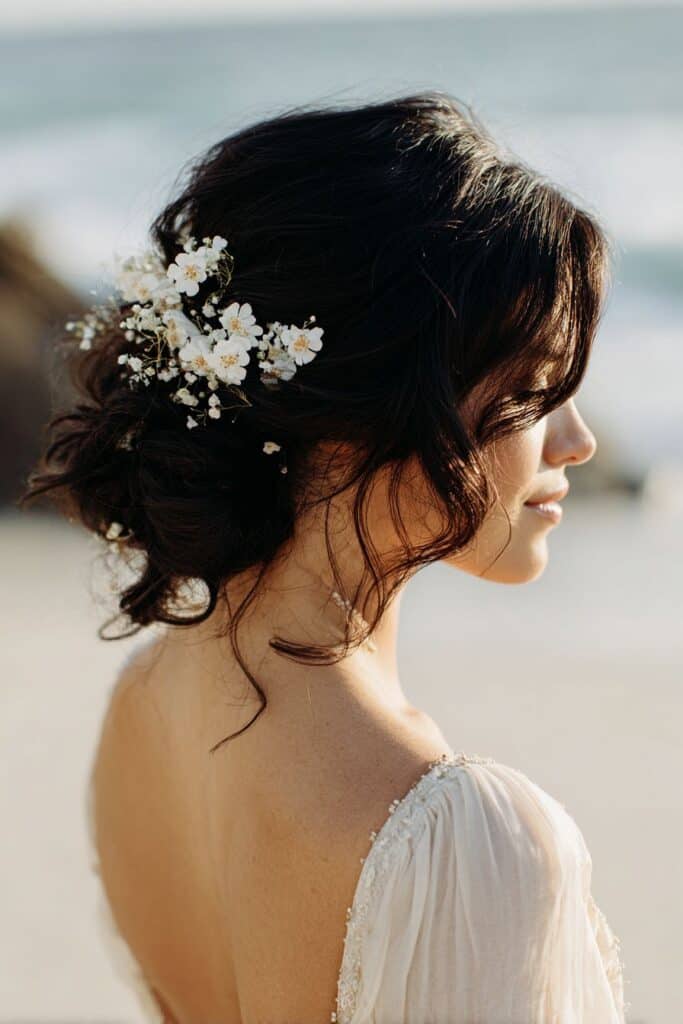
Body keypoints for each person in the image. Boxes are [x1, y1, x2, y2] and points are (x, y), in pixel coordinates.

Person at [22, 91, 627, 1023]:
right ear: (355, 411)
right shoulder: (455, 834)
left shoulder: (146, 706)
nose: (576, 441)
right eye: (538, 389)